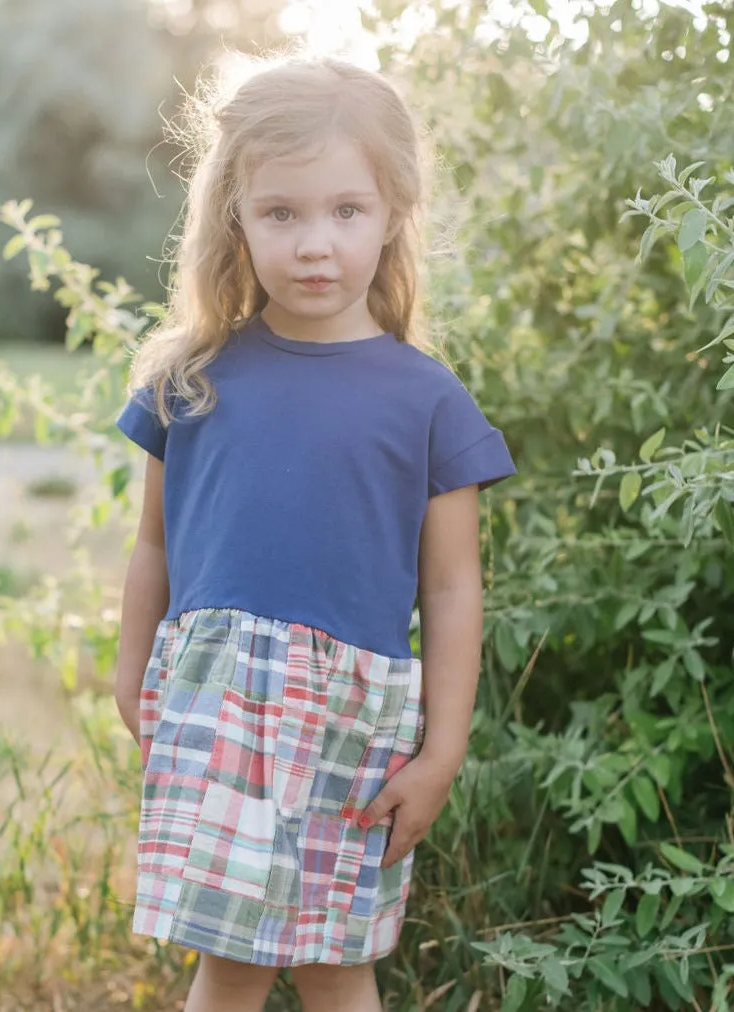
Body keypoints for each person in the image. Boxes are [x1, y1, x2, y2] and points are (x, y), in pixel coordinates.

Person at [113, 54, 517, 1012]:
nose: (313, 244)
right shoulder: (192, 378)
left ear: (392, 216)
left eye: (347, 211)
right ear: (237, 222)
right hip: (215, 701)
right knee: (232, 963)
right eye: (281, 213)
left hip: (357, 717)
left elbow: (455, 588)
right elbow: (154, 546)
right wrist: (131, 673)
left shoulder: (427, 401)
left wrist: (442, 750)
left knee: (340, 964)